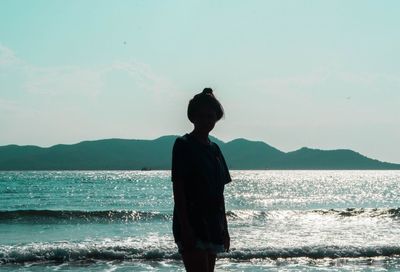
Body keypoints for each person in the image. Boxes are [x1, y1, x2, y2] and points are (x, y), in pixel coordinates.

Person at [171, 88, 232, 272]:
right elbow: (179, 190)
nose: (206, 121)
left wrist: (225, 228)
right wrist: (186, 227)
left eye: (210, 116)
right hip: (192, 223)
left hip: (213, 225)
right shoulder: (183, 145)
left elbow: (219, 193)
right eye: (202, 116)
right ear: (193, 117)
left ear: (216, 118)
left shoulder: (215, 150)